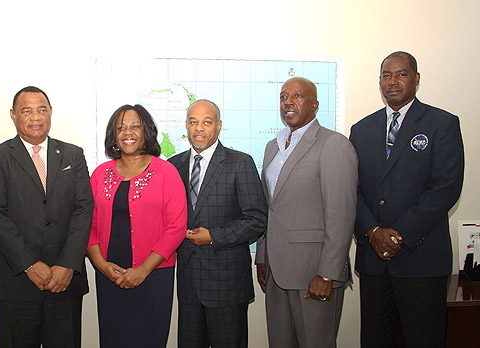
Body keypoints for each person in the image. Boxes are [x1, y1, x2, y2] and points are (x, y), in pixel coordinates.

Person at [350, 51, 464, 348]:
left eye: (401, 74)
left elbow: (446, 188)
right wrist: (373, 232)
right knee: (376, 340)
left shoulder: (442, 124)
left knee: (422, 339)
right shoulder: (362, 130)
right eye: (386, 75)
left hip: (421, 258)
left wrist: (399, 234)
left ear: (416, 79)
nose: (393, 81)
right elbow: (353, 190)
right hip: (374, 260)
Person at [0, 86, 94, 348]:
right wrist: (30, 265)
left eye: (42, 110)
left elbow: (83, 209)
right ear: (13, 115)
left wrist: (67, 265)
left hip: (65, 282)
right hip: (16, 282)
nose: (36, 117)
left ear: (51, 112)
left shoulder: (72, 154)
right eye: (27, 111)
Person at [255, 77, 358, 347]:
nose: (288, 101)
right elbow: (271, 207)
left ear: (314, 104)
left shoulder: (333, 145)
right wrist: (262, 257)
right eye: (283, 96)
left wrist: (328, 273)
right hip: (277, 271)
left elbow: (342, 215)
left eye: (297, 96)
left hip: (313, 272)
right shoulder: (273, 147)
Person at [168, 99, 268, 348]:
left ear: (219, 125)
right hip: (189, 285)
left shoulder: (240, 163)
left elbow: (257, 219)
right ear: (186, 126)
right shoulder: (173, 165)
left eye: (207, 122)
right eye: (193, 122)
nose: (199, 128)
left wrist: (214, 236)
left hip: (227, 285)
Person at [87, 104, 187, 348]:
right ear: (113, 135)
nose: (127, 133)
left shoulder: (166, 172)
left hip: (154, 276)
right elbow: (88, 226)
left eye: (135, 126)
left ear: (146, 132)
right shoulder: (100, 174)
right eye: (120, 128)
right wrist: (101, 265)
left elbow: (177, 227)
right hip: (110, 276)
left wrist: (142, 270)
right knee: (113, 339)